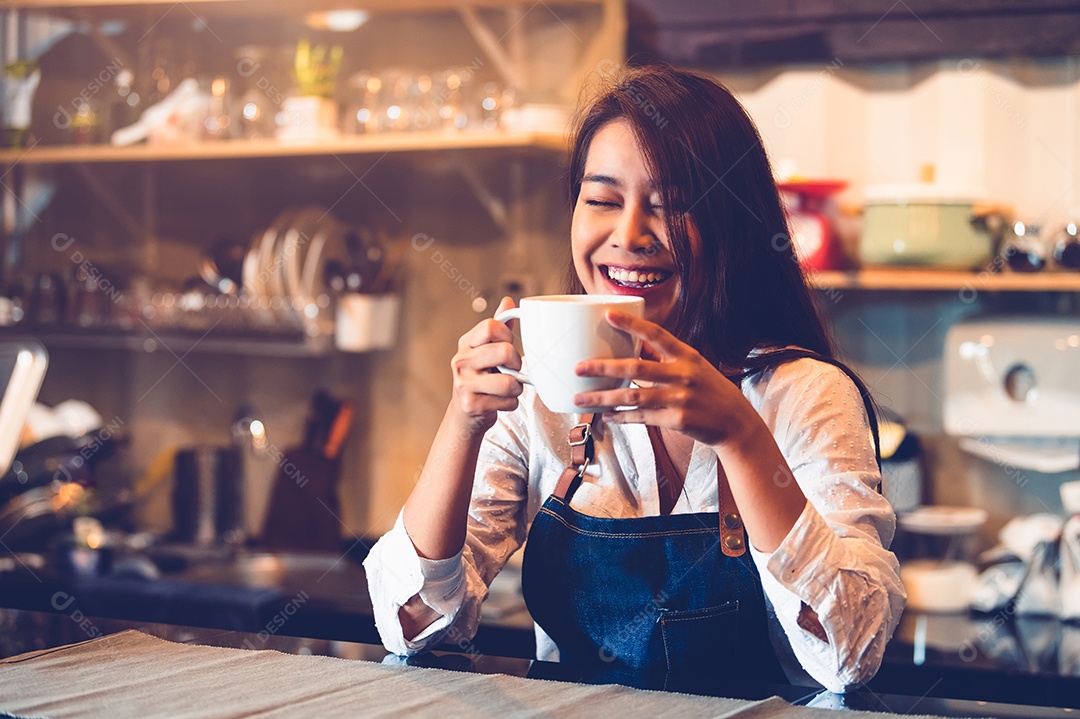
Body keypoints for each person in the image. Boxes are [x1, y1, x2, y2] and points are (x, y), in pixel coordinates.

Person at [364, 65, 905, 694]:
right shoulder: (536, 396)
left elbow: (850, 655)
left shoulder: (805, 394)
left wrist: (739, 434)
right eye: (601, 200)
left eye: (673, 207)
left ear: (734, 225)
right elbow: (416, 628)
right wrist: (461, 425)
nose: (628, 237)